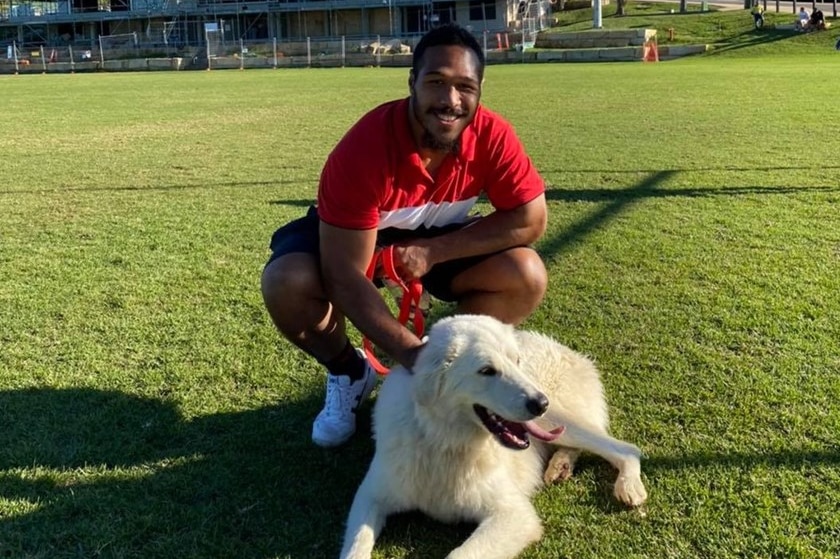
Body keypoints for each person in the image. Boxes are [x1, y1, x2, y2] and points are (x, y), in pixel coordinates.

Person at [261, 23, 548, 448]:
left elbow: (530, 218)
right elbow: (344, 275)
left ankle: (461, 376)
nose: (450, 101)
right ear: (412, 82)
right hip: (356, 242)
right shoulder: (365, 146)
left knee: (525, 273)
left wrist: (434, 252)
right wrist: (414, 355)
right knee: (287, 282)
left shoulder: (492, 134)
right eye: (436, 82)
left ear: (480, 89)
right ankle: (348, 371)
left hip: (435, 239)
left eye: (465, 86)